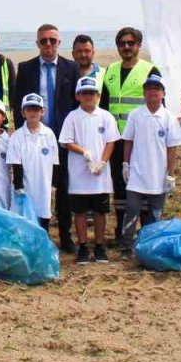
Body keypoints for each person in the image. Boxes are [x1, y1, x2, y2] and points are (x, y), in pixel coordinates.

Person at [11, 24, 79, 250]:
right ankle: (34, 232)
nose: (48, 44)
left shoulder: (72, 68)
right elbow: (17, 102)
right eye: (43, 41)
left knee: (63, 187)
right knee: (34, 185)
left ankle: (65, 236)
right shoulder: (26, 68)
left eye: (52, 40)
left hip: (62, 138)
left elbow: (76, 103)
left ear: (59, 43)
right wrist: (23, 134)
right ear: (37, 43)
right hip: (33, 136)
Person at [99, 26, 162, 249]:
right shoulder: (111, 71)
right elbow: (104, 106)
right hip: (116, 139)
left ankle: (146, 230)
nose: (126, 47)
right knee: (120, 186)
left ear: (138, 46)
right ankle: (122, 232)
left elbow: (158, 106)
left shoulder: (150, 69)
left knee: (144, 185)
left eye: (130, 43)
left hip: (141, 141)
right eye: (122, 43)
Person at [60, 75, 119, 264]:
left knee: (101, 211)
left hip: (100, 174)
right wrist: (83, 151)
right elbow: (66, 141)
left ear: (98, 95)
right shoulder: (72, 117)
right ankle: (83, 246)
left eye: (92, 93)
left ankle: (100, 246)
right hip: (79, 174)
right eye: (84, 93)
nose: (88, 96)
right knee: (80, 212)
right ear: (78, 96)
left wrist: (102, 161)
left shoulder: (106, 116)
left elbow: (111, 141)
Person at [120, 74, 181, 250]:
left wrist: (171, 174)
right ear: (144, 93)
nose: (152, 92)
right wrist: (126, 163)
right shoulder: (135, 115)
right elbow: (128, 141)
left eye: (157, 88)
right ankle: (126, 244)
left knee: (156, 212)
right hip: (137, 173)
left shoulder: (169, 117)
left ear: (163, 93)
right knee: (132, 209)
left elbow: (172, 148)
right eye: (149, 89)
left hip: (158, 174)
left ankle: (148, 244)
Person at [7, 93, 60, 230]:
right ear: (23, 112)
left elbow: (54, 161)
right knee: (23, 220)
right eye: (29, 109)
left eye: (36, 109)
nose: (32, 113)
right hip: (25, 187)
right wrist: (18, 185)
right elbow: (16, 162)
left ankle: (42, 244)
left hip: (43, 184)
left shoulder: (49, 134)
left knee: (43, 213)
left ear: (42, 112)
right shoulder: (17, 136)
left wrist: (54, 183)